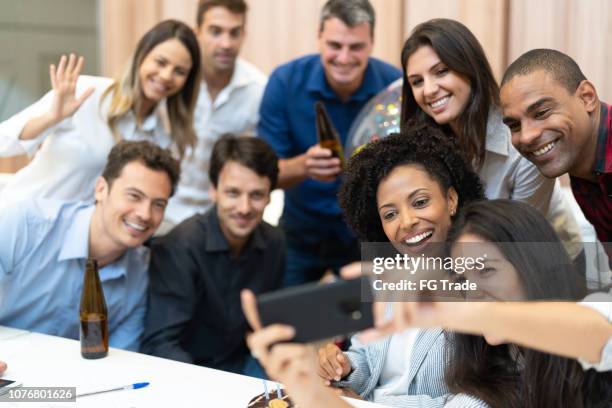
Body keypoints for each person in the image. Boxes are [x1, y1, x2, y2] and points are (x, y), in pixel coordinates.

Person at [400, 19, 586, 271]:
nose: (429, 90)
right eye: (417, 81)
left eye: (441, 71)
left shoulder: (523, 140)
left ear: (469, 68)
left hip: (545, 265)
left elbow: (515, 239)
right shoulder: (423, 146)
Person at [319, 125, 485, 406]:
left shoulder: (485, 281)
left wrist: (374, 405)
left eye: (420, 202)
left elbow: (483, 398)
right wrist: (344, 365)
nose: (406, 222)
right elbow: (367, 356)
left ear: (452, 200)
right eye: (390, 214)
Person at [257, 0, 401, 286]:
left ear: (372, 42)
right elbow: (264, 175)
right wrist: (303, 166)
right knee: (283, 318)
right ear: (319, 38)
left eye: (356, 47)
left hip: (369, 231)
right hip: (301, 230)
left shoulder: (394, 86)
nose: (344, 58)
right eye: (335, 45)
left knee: (371, 327)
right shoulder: (284, 82)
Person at [0, 20, 200, 210]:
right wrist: (52, 117)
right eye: (160, 62)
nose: (166, 75)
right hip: (20, 218)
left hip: (71, 239)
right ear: (141, 56)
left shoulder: (160, 138)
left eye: (179, 71)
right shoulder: (86, 93)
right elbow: (4, 143)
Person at [0, 141, 180, 351]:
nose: (145, 214)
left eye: (158, 204)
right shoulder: (25, 226)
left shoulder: (141, 273)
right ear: (101, 189)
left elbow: (120, 359)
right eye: (134, 196)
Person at [141, 135, 285, 377]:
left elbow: (268, 326)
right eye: (233, 193)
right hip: (187, 372)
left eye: (257, 195)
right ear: (213, 191)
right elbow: (161, 344)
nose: (244, 207)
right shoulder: (179, 246)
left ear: (270, 195)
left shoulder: (275, 242)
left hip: (243, 365)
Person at [500, 49, 611, 265]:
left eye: (541, 113)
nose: (527, 136)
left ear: (586, 97)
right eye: (514, 125)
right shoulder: (583, 168)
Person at [163, 0, 267, 230]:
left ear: (244, 35)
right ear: (196, 32)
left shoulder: (257, 89)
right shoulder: (174, 78)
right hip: (165, 210)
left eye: (234, 33)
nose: (226, 43)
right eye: (215, 31)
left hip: (221, 217)